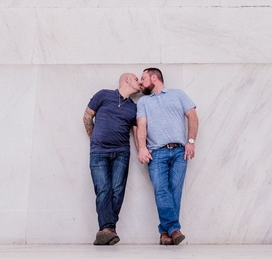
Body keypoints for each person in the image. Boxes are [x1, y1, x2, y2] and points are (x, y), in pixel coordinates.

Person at [135, 67, 199, 246]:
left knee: (174, 192)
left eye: (143, 78)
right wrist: (142, 148)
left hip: (180, 151)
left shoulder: (178, 94)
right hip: (156, 153)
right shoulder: (143, 102)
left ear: (154, 78)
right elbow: (141, 126)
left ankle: (165, 233)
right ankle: (174, 229)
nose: (141, 82)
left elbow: (192, 117)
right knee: (161, 190)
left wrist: (191, 141)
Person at [83, 73, 142, 245]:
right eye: (136, 79)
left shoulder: (134, 107)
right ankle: (108, 229)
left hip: (122, 152)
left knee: (117, 190)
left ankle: (106, 230)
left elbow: (138, 132)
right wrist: (94, 139)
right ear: (127, 80)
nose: (139, 82)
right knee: (103, 189)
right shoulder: (103, 95)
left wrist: (142, 150)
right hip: (98, 152)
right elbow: (87, 117)